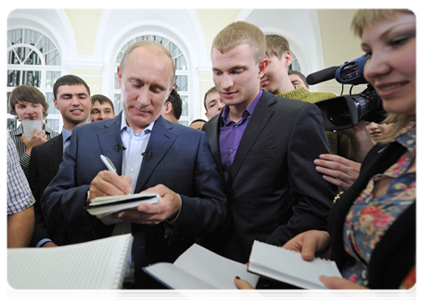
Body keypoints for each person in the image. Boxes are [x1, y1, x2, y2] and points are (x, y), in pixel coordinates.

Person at [236, 8, 420, 300]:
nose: (371, 70)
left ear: (286, 60)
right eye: (369, 52)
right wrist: (333, 241)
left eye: (397, 41)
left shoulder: (323, 105)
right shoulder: (396, 150)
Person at [41, 40, 229, 299]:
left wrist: (177, 207)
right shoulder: (85, 136)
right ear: (120, 75)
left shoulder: (192, 141)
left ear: (170, 90)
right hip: (89, 282)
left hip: (162, 287)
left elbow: (218, 213)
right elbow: (50, 205)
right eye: (136, 84)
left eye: (156, 88)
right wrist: (88, 197)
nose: (143, 100)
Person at [203, 20, 336, 265]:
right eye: (218, 72)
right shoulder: (209, 128)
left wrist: (267, 255)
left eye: (236, 71)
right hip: (216, 260)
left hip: (275, 263)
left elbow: (315, 204)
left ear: (261, 66)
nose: (225, 84)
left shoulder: (297, 116)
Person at [261, 34, 361, 162]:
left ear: (286, 59)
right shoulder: (253, 112)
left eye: (266, 63)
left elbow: (354, 160)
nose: (260, 73)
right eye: (254, 67)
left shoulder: (326, 101)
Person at [28, 75, 92, 248]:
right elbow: (33, 205)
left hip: (98, 247)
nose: (75, 102)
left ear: (90, 101)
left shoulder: (112, 145)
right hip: (53, 247)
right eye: (67, 97)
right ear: (55, 103)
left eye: (81, 96)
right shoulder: (40, 153)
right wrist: (44, 241)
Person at [8, 85, 59, 175]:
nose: (29, 111)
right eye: (22, 107)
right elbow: (9, 177)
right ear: (15, 110)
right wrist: (30, 150)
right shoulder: (7, 140)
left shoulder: (57, 137)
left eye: (35, 105)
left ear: (43, 108)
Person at [5, 131, 35, 248]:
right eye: (22, 110)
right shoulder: (11, 136)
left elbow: (20, 205)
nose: (30, 111)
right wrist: (29, 152)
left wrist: (10, 259)